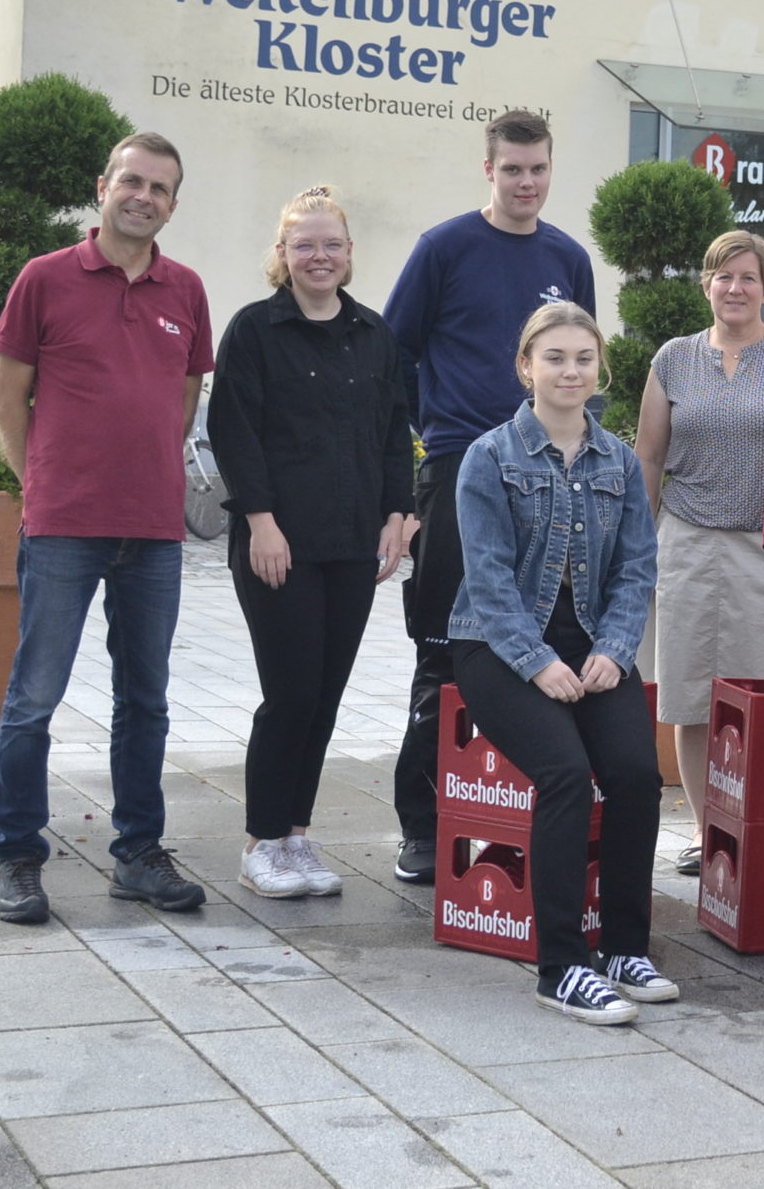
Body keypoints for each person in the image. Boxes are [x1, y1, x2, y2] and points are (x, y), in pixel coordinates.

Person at [0, 133, 215, 925]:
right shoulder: (44, 279)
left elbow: (183, 399)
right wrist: (40, 483)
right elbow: (7, 399)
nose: (144, 195)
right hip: (64, 526)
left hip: (152, 529)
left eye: (160, 187)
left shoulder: (184, 289)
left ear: (173, 204)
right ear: (104, 186)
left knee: (145, 699)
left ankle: (138, 855)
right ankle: (17, 855)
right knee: (34, 697)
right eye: (133, 180)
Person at [383, 110, 597, 885]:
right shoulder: (442, 248)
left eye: (537, 168)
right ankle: (421, 823)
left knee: (541, 639)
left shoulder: (567, 258)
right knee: (442, 649)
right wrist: (437, 432)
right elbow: (394, 351)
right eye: (512, 169)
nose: (526, 182)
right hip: (456, 468)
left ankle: (520, 809)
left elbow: (579, 363)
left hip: (546, 474)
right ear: (489, 169)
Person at [449, 301, 675, 1024]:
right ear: (526, 366)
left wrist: (613, 649)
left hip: (591, 646)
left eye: (583, 357)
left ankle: (626, 947)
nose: (570, 369)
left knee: (639, 774)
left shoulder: (617, 460)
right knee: (566, 775)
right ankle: (563, 965)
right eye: (554, 357)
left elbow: (638, 570)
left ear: (598, 367)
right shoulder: (490, 457)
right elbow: (486, 579)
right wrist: (536, 659)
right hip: (494, 643)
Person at [208, 187, 419, 899]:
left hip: (353, 543)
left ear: (350, 253)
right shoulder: (254, 331)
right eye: (305, 244)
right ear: (283, 254)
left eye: (332, 243)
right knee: (290, 692)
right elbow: (234, 433)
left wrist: (399, 512)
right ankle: (260, 840)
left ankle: (296, 833)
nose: (319, 255)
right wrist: (259, 520)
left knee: (325, 695)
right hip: (280, 544)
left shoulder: (374, 334)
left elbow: (394, 434)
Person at [635, 230, 764, 874]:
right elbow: (650, 457)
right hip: (688, 546)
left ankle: (763, 827)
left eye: (748, 277)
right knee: (692, 699)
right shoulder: (673, 358)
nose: (735, 288)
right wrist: (638, 548)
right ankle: (706, 832)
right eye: (723, 276)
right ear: (707, 285)